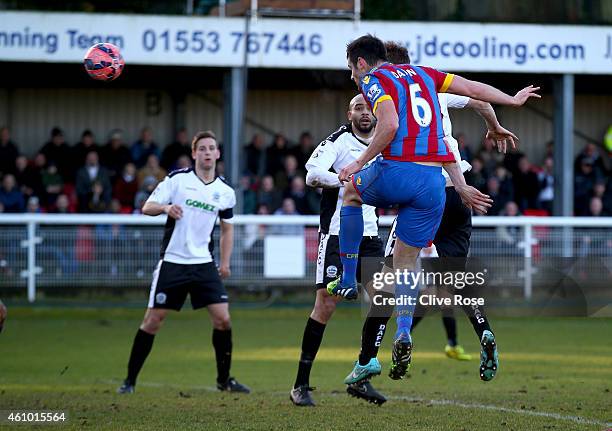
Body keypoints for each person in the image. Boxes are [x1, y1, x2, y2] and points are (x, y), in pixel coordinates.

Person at [328, 34, 538, 384]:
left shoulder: (378, 81)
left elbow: (391, 124)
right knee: (448, 273)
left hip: (406, 172)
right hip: (443, 184)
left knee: (380, 264)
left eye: (352, 68)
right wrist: (509, 105)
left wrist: (360, 162)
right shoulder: (427, 78)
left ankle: (353, 302)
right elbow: (473, 94)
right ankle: (433, 331)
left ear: (368, 63)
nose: (353, 75)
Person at [381, 40, 516, 375]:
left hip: (424, 192)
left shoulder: (387, 95)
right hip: (459, 192)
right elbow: (478, 98)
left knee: (396, 271)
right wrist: (494, 125)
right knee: (456, 274)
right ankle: (483, 329)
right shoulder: (433, 87)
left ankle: (391, 343)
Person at [117, 131, 249, 395]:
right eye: (202, 148)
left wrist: (224, 262)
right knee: (153, 320)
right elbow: (147, 206)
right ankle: (129, 381)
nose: (208, 152)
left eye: (212, 148)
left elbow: (227, 229)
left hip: (203, 263)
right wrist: (166, 208)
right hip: (173, 262)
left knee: (223, 319)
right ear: (194, 154)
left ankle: (224, 380)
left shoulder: (224, 191)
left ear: (218, 153)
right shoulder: (177, 180)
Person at [290, 94, 391, 407]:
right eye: (357, 107)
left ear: (376, 112)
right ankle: (300, 385)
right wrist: (343, 179)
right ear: (350, 113)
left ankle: (361, 377)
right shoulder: (338, 141)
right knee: (326, 305)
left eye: (368, 107)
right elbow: (312, 174)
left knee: (383, 298)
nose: (364, 113)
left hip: (370, 234)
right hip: (336, 234)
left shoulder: (386, 140)